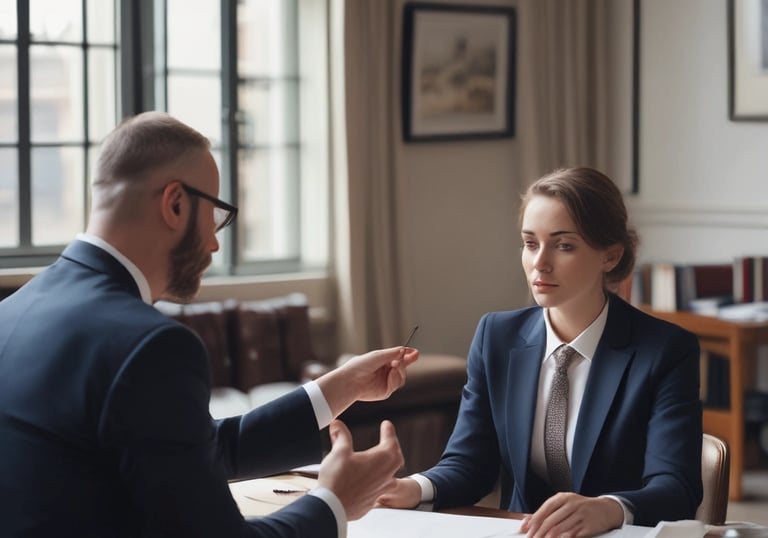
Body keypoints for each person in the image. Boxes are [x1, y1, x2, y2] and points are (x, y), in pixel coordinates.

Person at [0, 111, 419, 537]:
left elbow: (185, 448)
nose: (216, 241)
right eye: (216, 214)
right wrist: (335, 503)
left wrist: (339, 387)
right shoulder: (150, 344)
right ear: (175, 203)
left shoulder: (12, 311)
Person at [377, 167, 703, 537]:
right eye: (531, 243)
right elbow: (470, 464)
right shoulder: (496, 336)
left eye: (563, 245)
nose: (539, 262)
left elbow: (677, 490)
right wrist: (412, 488)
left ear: (610, 257)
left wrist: (610, 509)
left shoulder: (665, 351)